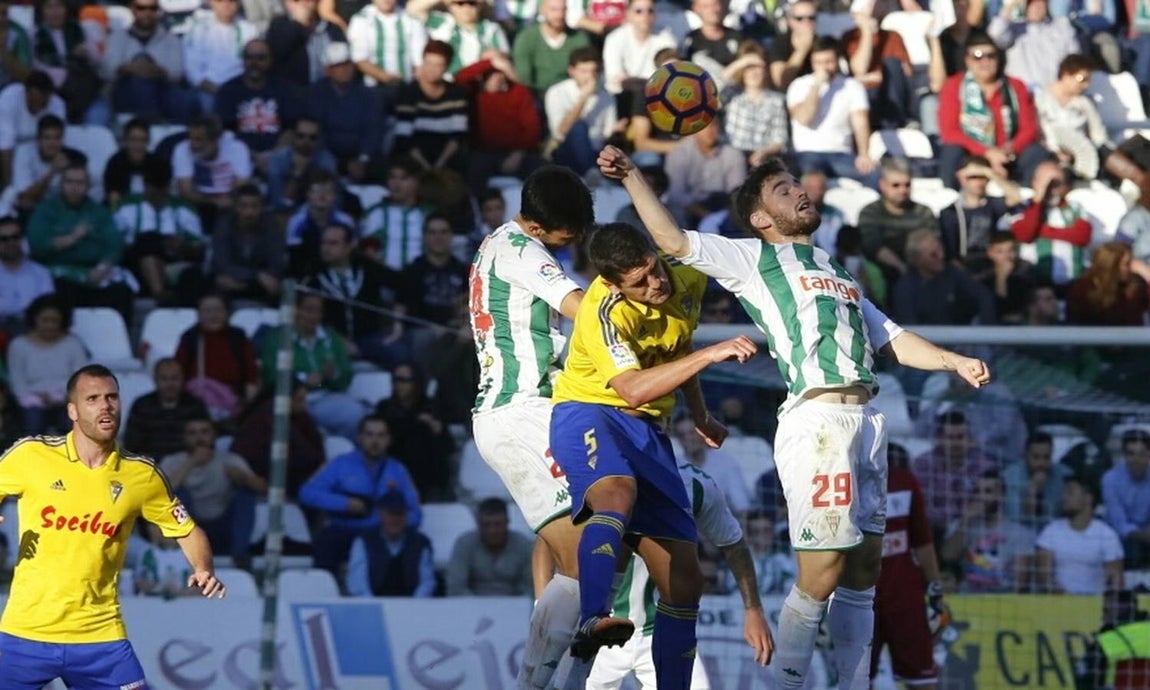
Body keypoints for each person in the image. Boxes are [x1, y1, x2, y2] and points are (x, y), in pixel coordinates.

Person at [597, 144, 990, 690]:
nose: (800, 191)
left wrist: (953, 361)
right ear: (761, 218)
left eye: (796, 185)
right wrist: (634, 176)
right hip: (819, 421)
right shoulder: (754, 259)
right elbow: (673, 241)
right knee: (822, 572)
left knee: (862, 571)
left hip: (867, 422)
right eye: (783, 190)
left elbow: (890, 336)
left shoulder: (835, 269)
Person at [549, 223, 757, 689]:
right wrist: (713, 353)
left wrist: (700, 415)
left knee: (685, 580)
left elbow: (677, 349)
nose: (654, 283)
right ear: (614, 285)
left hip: (650, 430)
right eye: (639, 282)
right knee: (617, 493)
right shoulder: (602, 310)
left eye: (653, 269)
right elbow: (635, 388)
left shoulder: (686, 275)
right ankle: (592, 617)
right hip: (591, 412)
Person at [0, 364, 225, 689]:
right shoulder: (31, 456)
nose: (105, 405)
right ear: (72, 411)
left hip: (100, 638)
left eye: (111, 397)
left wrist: (203, 567)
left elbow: (187, 530)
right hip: (24, 634)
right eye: (92, 398)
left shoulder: (141, 475)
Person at [467, 164, 596, 690]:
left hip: (531, 411)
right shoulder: (523, 252)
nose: (578, 240)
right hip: (522, 411)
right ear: (540, 228)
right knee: (590, 565)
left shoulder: (500, 243)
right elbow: (580, 308)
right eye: (571, 233)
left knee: (593, 559)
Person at [579, 460, 774, 690]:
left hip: (661, 630)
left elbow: (733, 543)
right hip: (603, 627)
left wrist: (753, 609)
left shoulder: (695, 485)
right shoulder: (593, 478)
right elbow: (550, 540)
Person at [870, 444, 945, 690]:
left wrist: (935, 592)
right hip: (881, 599)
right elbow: (924, 543)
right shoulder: (905, 480)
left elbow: (923, 541)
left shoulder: (904, 481)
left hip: (892, 599)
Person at [160, 415, 265, 563]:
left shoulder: (229, 459)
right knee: (179, 496)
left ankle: (240, 557)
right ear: (185, 438)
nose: (199, 438)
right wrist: (192, 462)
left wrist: (244, 478)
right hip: (191, 526)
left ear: (214, 436)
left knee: (245, 496)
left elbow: (262, 489)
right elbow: (158, 493)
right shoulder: (172, 461)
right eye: (193, 433)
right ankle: (180, 555)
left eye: (204, 432)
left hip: (223, 525)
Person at [6, 294, 89, 435]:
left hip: (66, 400)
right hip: (30, 401)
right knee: (33, 421)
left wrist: (61, 397)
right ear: (35, 320)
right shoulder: (18, 345)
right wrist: (39, 398)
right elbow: (17, 383)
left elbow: (80, 380)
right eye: (45, 320)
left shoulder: (73, 344)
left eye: (54, 321)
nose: (49, 325)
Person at [1035, 475, 1123, 595]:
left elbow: (1116, 580)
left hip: (1095, 605)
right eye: (1064, 493)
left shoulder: (1107, 535)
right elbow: (1043, 577)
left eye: (1070, 493)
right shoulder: (1051, 531)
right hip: (1057, 603)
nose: (1064, 497)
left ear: (1088, 498)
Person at [344, 490, 435, 597]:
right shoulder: (363, 541)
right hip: (373, 604)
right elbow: (357, 582)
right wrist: (372, 605)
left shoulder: (421, 543)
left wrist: (414, 605)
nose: (395, 519)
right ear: (381, 514)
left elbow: (427, 582)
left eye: (400, 514)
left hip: (411, 606)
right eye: (391, 514)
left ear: (406, 516)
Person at [123, 357, 210, 461]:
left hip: (188, 465)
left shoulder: (195, 405)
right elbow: (131, 444)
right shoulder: (142, 406)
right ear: (155, 380)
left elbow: (206, 440)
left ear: (182, 378)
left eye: (174, 378)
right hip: (151, 465)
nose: (170, 384)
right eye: (164, 379)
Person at [445, 497, 535, 596]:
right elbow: (456, 586)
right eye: (486, 524)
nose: (492, 530)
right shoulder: (464, 544)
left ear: (507, 523)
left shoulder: (524, 545)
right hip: (471, 605)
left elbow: (532, 586)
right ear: (478, 524)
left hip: (516, 605)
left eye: (497, 524)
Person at [0, 216, 53, 333]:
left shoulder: (41, 273)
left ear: (23, 239)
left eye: (15, 237)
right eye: (3, 239)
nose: (10, 243)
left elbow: (47, 309)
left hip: (33, 332)